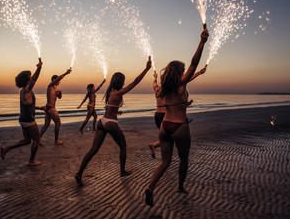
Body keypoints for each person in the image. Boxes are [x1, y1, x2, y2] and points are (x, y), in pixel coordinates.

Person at [145, 29, 209, 207]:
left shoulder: (162, 88)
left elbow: (173, 104)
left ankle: (150, 187)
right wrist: (202, 43)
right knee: (183, 159)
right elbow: (194, 64)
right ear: (178, 72)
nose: (184, 71)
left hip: (165, 126)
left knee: (165, 161)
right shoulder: (181, 84)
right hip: (180, 126)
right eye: (181, 69)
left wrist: (185, 104)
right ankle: (180, 187)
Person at [75, 57, 152, 187]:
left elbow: (110, 108)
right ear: (121, 82)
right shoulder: (119, 92)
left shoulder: (110, 92)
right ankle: (122, 171)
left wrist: (117, 112)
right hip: (111, 123)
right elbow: (135, 82)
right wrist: (147, 68)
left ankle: (79, 173)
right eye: (123, 81)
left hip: (102, 121)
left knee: (93, 150)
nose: (125, 83)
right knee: (123, 147)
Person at [148, 66, 207, 159]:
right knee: (171, 137)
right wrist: (199, 72)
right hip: (166, 115)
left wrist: (154, 77)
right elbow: (188, 78)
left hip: (157, 115)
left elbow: (154, 83)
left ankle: (157, 149)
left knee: (167, 137)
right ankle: (155, 146)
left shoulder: (157, 89)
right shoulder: (170, 89)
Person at [0, 58, 44, 166]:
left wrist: (38, 108)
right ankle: (31, 161)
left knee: (26, 140)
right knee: (36, 140)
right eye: (29, 78)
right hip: (29, 120)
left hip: (23, 119)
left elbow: (27, 104)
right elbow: (35, 79)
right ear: (26, 80)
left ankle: (6, 148)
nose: (30, 79)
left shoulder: (23, 91)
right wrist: (39, 68)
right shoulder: (26, 90)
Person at [39, 68, 72, 145]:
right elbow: (59, 78)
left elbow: (59, 98)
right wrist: (66, 73)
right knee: (58, 123)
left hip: (48, 107)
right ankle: (56, 140)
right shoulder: (50, 86)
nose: (59, 81)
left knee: (46, 125)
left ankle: (38, 139)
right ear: (54, 80)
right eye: (58, 80)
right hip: (50, 107)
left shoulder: (56, 88)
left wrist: (60, 93)